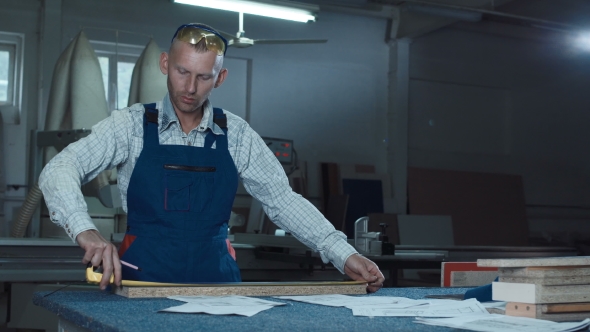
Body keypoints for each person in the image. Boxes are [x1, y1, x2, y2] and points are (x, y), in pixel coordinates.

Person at [39, 23, 385, 292]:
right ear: (164, 63)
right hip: (139, 284)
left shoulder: (236, 133)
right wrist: (85, 228)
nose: (190, 88)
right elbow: (61, 167)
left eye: (203, 77)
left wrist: (344, 254)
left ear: (220, 77)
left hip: (218, 289)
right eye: (181, 72)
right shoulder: (128, 125)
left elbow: (282, 200)